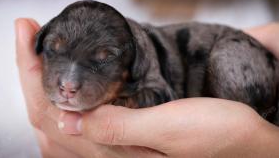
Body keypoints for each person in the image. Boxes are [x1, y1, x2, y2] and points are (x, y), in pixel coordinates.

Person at [15, 18, 279, 158]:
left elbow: (160, 94)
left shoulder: (144, 63)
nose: (68, 83)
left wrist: (266, 147)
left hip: (238, 58)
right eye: (54, 51)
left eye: (102, 59)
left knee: (228, 65)